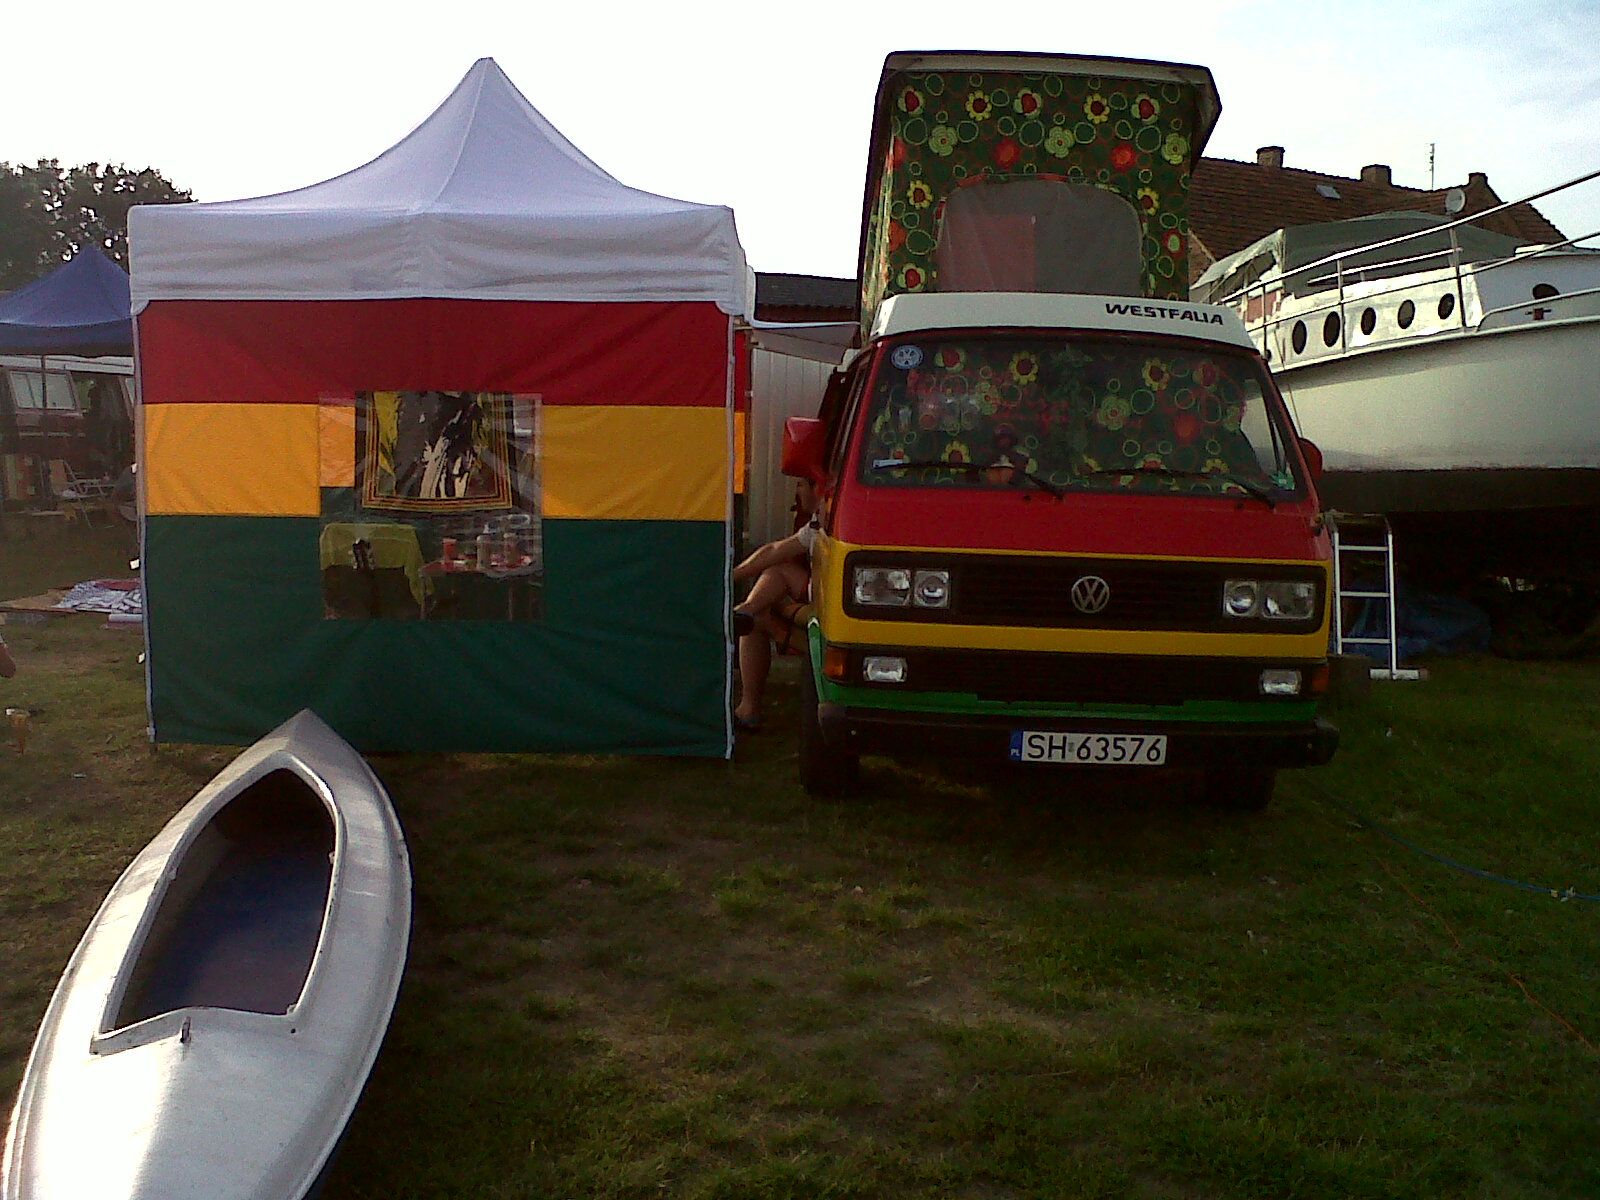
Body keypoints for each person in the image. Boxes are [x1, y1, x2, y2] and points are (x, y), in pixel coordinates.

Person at [731, 478, 821, 731]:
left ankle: (742, 613)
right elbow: (774, 550)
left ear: (818, 488)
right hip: (815, 606)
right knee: (755, 617)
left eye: (801, 485)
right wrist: (731, 575)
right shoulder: (819, 524)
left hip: (829, 623)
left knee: (760, 611)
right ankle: (744, 613)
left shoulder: (833, 525)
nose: (797, 491)